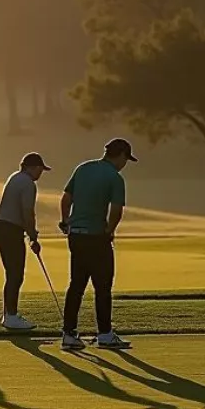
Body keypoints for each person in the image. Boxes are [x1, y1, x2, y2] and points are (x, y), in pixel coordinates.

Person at [59, 137, 136, 350]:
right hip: (96, 237)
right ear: (120, 155)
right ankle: (104, 334)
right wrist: (109, 231)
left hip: (76, 235)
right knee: (103, 287)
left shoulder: (83, 168)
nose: (124, 164)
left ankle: (69, 334)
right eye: (125, 159)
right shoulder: (115, 177)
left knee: (76, 285)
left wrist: (66, 222)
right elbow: (117, 210)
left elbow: (66, 199)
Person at [0, 151, 51, 331]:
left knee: (12, 273)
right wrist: (33, 236)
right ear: (31, 168)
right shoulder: (28, 184)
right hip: (10, 230)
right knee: (16, 274)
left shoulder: (15, 177)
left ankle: (8, 315)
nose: (41, 173)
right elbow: (27, 212)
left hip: (1, 228)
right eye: (40, 169)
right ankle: (10, 316)